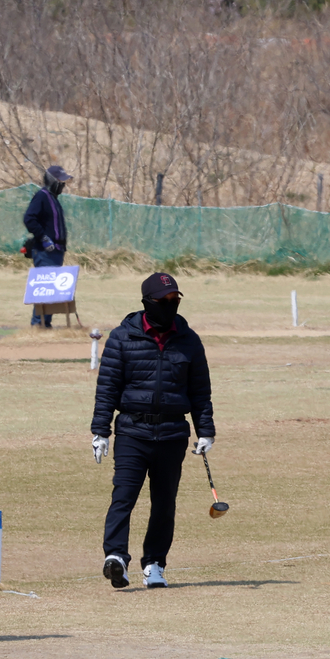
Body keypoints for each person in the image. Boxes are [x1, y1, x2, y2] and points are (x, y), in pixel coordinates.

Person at [91, 272, 215, 590]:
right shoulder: (122, 338)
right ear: (148, 303)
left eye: (175, 299)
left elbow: (200, 390)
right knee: (124, 496)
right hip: (133, 430)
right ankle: (116, 557)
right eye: (164, 301)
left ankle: (155, 564)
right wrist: (100, 431)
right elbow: (107, 387)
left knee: (164, 502)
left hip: (173, 432)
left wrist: (206, 432)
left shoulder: (188, 339)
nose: (170, 305)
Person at [24, 165, 73, 328]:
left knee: (52, 291)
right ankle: (38, 325)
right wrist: (43, 237)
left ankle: (46, 323)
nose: (63, 185)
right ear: (52, 181)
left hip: (57, 251)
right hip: (45, 251)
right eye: (60, 182)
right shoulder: (42, 196)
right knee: (44, 289)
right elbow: (29, 218)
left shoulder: (53, 198)